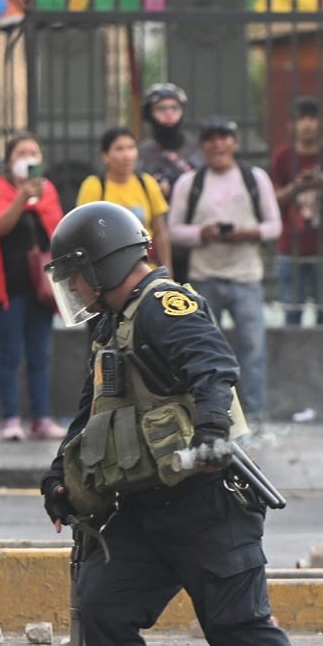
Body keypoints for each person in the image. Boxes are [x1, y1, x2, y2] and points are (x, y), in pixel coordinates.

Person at [38, 200, 323, 646]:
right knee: (103, 605)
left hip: (207, 502)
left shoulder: (165, 306)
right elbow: (94, 409)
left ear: (106, 263)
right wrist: (58, 476)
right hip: (145, 506)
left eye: (79, 275)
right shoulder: (111, 322)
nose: (76, 288)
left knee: (236, 626)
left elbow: (215, 368)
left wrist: (212, 431)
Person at [168, 116, 281, 429]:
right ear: (202, 146)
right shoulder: (189, 183)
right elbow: (173, 230)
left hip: (246, 277)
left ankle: (256, 418)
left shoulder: (254, 178)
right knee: (202, 353)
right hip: (203, 278)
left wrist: (248, 233)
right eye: (210, 139)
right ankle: (207, 417)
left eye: (224, 137)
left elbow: (274, 226)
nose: (218, 145)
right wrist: (202, 233)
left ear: (234, 142)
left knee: (253, 351)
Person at [0, 131, 66, 442]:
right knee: (9, 354)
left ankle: (41, 417)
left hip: (41, 288)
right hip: (9, 287)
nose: (28, 158)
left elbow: (57, 229)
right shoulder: (0, 189)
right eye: (21, 153)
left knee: (40, 354)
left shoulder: (49, 190)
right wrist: (22, 197)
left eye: (34, 153)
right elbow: (0, 225)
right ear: (8, 162)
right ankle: (11, 418)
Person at [270, 96, 323, 326]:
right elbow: (273, 199)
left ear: (321, 122)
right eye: (301, 119)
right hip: (290, 246)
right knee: (291, 312)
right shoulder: (283, 156)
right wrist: (297, 186)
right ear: (291, 125)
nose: (307, 124)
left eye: (311, 118)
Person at [77, 127, 172, 270]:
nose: (126, 155)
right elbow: (84, 233)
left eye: (131, 147)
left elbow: (160, 233)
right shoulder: (94, 186)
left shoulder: (147, 183)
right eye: (119, 149)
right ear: (105, 156)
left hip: (146, 269)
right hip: (109, 270)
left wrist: (167, 270)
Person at [137, 82, 204, 284]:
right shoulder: (142, 154)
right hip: (156, 241)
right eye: (161, 109)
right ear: (150, 114)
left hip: (195, 239)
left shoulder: (197, 150)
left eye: (174, 107)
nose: (169, 114)